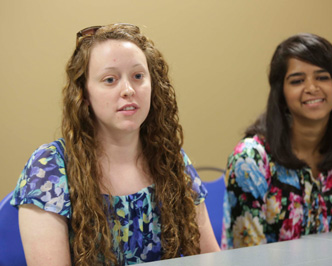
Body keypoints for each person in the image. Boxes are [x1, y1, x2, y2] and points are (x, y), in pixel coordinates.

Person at [11, 23, 220, 265]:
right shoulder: (48, 168)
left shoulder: (170, 158)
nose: (129, 90)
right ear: (84, 95)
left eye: (138, 76)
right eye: (110, 79)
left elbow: (210, 257)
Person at [221, 33, 332, 249]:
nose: (311, 87)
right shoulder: (250, 160)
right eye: (297, 80)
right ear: (280, 94)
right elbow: (248, 258)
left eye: (322, 77)